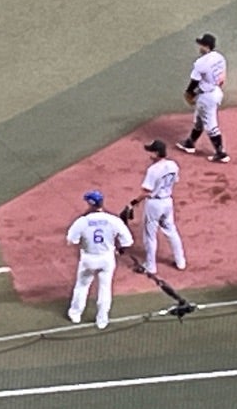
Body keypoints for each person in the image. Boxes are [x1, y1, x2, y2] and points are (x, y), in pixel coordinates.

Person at [66, 190, 134, 330]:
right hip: (106, 259)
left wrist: (84, 241)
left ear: (90, 204)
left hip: (88, 258)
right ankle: (102, 320)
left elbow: (71, 240)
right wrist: (118, 249)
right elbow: (128, 241)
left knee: (82, 286)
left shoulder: (82, 221)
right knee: (105, 288)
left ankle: (75, 314)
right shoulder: (113, 220)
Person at [126, 139, 186, 274]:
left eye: (151, 151)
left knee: (149, 235)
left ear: (157, 153)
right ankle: (180, 262)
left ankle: (150, 266)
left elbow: (146, 192)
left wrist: (133, 203)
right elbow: (174, 181)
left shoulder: (153, 170)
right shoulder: (173, 165)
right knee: (171, 231)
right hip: (168, 202)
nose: (149, 154)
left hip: (154, 204)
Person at [176, 33, 230, 162]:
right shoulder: (219, 57)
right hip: (216, 91)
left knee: (211, 125)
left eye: (201, 45)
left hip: (207, 97)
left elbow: (194, 81)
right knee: (199, 119)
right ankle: (190, 143)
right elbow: (222, 77)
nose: (199, 47)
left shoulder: (201, 63)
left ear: (206, 46)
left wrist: (189, 92)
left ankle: (221, 153)